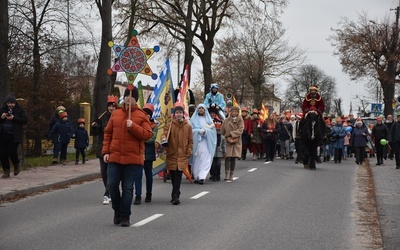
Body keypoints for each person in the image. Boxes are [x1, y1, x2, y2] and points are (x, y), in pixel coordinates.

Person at [102, 87, 153, 227]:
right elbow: (108, 134)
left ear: (135, 99)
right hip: (114, 157)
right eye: (126, 97)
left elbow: (148, 135)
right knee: (112, 185)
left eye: (131, 97)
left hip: (132, 159)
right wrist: (106, 152)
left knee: (127, 188)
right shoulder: (116, 114)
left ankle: (125, 216)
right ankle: (116, 211)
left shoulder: (142, 116)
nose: (127, 99)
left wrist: (133, 127)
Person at [161, 102, 193, 205]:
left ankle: (175, 196)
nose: (178, 114)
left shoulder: (187, 126)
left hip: (182, 155)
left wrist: (188, 152)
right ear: (174, 114)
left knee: (178, 175)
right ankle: (176, 191)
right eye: (177, 112)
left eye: (180, 112)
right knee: (173, 175)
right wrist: (164, 139)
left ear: (183, 114)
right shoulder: (170, 125)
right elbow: (164, 134)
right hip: (172, 154)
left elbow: (190, 140)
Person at [91, 95, 117, 205]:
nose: (111, 108)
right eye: (110, 106)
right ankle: (109, 191)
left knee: (111, 172)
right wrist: (95, 126)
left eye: (113, 106)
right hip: (103, 148)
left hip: (115, 149)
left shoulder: (118, 117)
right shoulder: (102, 117)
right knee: (104, 172)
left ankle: (107, 194)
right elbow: (95, 133)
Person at [134, 103, 157, 204]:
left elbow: (152, 138)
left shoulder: (154, 126)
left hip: (149, 153)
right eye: (145, 113)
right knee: (138, 175)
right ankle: (138, 195)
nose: (146, 115)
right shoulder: (138, 124)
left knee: (148, 175)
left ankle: (149, 194)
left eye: (148, 114)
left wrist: (142, 137)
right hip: (139, 153)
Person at [0, 94, 28, 178]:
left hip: (14, 135)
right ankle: (6, 171)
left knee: (12, 151)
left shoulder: (19, 110)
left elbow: (25, 120)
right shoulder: (3, 109)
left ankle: (16, 164)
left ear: (15, 103)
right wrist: (2, 117)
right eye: (9, 103)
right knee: (2, 153)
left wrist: (14, 118)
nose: (10, 105)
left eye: (12, 103)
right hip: (3, 134)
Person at [190, 103, 217, 184]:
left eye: (202, 108)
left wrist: (206, 132)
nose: (201, 110)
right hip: (197, 142)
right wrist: (198, 131)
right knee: (197, 159)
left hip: (206, 142)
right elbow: (190, 130)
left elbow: (213, 132)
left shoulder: (209, 120)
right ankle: (196, 175)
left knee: (206, 158)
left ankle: (202, 176)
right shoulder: (193, 120)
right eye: (199, 108)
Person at [221, 106, 244, 182]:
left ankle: (231, 174)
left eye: (236, 112)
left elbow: (240, 130)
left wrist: (232, 133)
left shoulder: (240, 120)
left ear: (238, 112)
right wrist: (226, 137)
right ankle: (226, 174)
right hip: (227, 141)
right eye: (232, 111)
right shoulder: (226, 120)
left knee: (233, 158)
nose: (234, 113)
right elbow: (222, 130)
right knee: (227, 157)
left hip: (236, 141)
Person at [209, 108, 225, 181]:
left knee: (218, 164)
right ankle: (213, 174)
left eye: (214, 114)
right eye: (211, 113)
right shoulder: (208, 121)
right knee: (212, 164)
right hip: (211, 148)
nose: (212, 115)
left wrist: (224, 151)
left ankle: (218, 174)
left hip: (218, 150)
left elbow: (223, 143)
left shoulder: (219, 122)